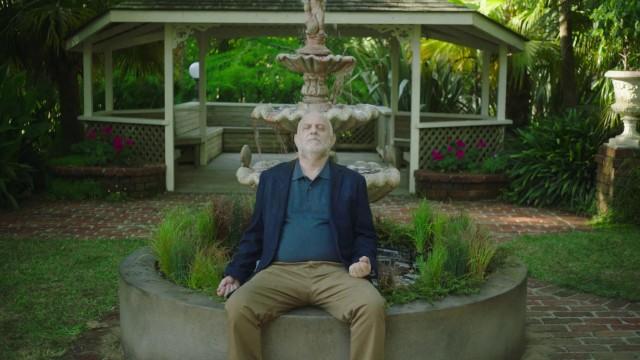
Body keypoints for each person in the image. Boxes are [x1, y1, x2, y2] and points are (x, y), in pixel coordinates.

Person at [216, 111, 385, 360]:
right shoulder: (272, 179)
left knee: (372, 306)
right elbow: (255, 233)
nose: (313, 130)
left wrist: (364, 260)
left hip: (335, 272)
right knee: (238, 307)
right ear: (296, 139)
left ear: (332, 139)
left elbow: (364, 234)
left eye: (320, 127)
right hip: (280, 272)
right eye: (307, 127)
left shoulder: (352, 181)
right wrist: (235, 272)